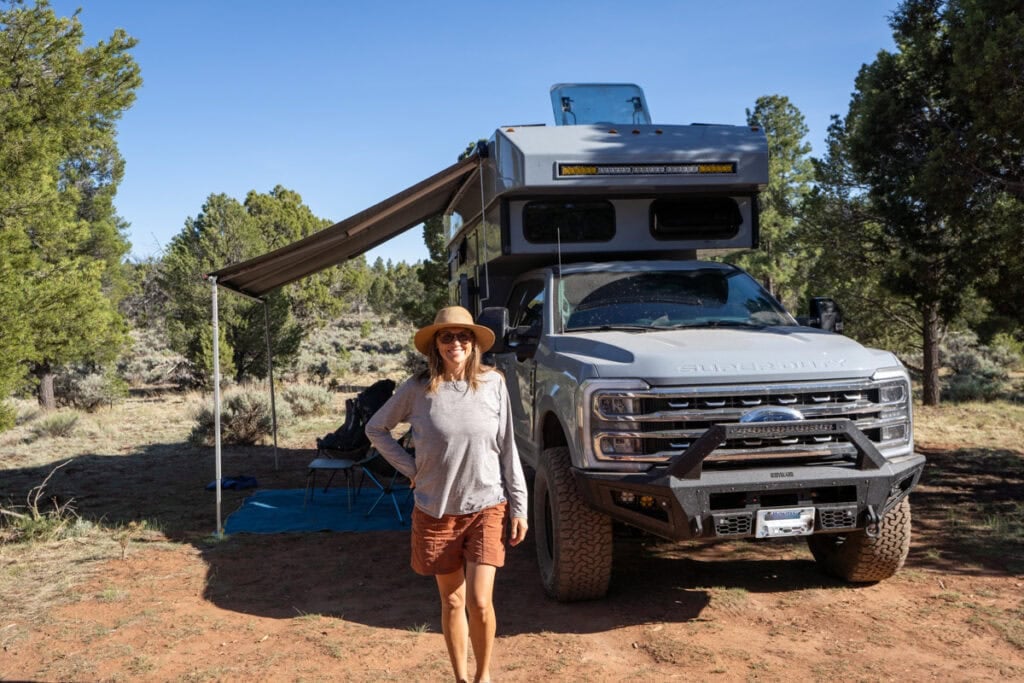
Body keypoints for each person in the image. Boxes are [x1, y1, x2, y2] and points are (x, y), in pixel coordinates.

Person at [365, 305, 529, 683]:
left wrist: (519, 505)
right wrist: (412, 469)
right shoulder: (417, 389)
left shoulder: (494, 383)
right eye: (447, 336)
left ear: (474, 344)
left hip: (487, 505)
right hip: (436, 510)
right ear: (435, 345)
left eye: (463, 336)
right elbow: (377, 429)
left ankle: (483, 675)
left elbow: (507, 447)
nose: (456, 342)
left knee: (480, 602)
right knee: (453, 600)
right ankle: (460, 678)